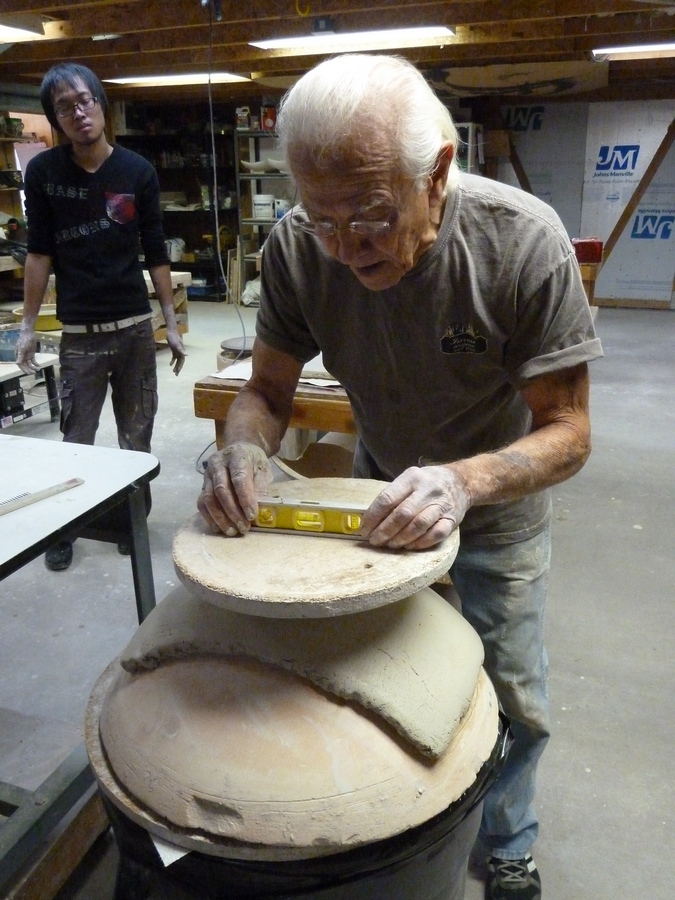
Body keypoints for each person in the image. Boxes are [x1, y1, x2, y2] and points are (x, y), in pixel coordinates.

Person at [197, 54, 603, 900]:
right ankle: (408, 819)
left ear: (439, 172)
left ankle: (508, 840)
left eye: (371, 216)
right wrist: (240, 446)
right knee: (382, 681)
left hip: (494, 507)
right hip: (374, 497)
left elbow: (567, 432)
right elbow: (268, 390)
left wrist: (461, 484)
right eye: (322, 219)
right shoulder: (299, 249)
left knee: (511, 695)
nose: (346, 249)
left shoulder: (520, 242)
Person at [15, 62, 186, 571]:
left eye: (85, 100)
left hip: (133, 330)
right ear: (56, 119)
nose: (78, 112)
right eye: (64, 107)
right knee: (76, 441)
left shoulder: (138, 172)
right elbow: (39, 253)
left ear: (101, 105)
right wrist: (26, 327)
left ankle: (131, 520)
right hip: (80, 338)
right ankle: (67, 528)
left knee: (137, 438)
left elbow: (155, 250)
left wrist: (171, 324)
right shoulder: (43, 174)